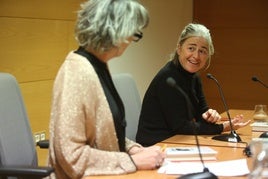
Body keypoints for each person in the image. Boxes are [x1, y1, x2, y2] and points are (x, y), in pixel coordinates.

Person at [48, 0, 165, 178]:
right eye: (134, 34)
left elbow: (106, 133)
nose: (132, 41)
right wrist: (132, 161)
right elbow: (71, 156)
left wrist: (134, 149)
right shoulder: (77, 73)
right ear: (118, 32)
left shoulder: (97, 66)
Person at [136, 23, 250, 146]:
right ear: (179, 48)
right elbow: (181, 126)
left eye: (202, 51)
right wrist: (222, 128)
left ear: (208, 55)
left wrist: (210, 116)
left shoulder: (193, 77)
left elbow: (202, 114)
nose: (196, 56)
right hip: (155, 144)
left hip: (178, 139)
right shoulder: (168, 78)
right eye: (191, 48)